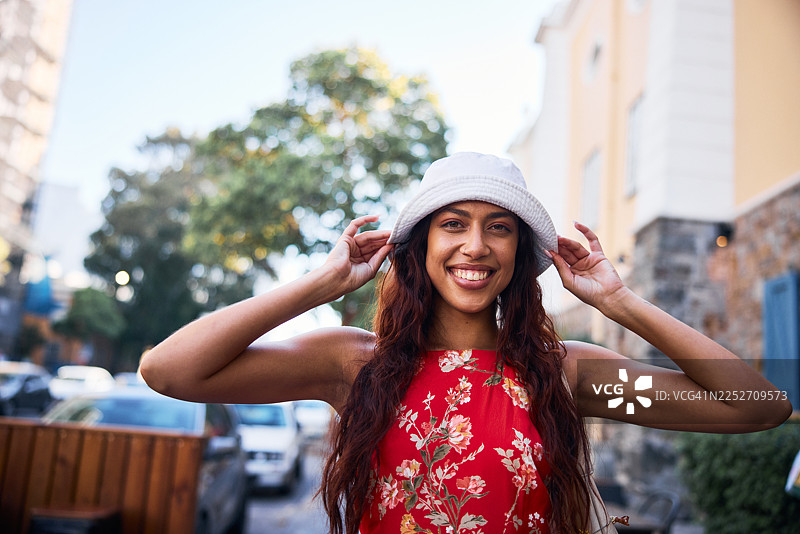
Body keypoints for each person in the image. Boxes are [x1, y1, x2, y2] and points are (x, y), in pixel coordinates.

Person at [140, 152, 791, 534]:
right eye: (453, 224)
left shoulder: (565, 374)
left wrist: (618, 302)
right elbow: (169, 371)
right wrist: (318, 286)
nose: (475, 246)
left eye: (498, 228)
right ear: (421, 245)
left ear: (519, 252)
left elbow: (756, 406)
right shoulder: (351, 364)